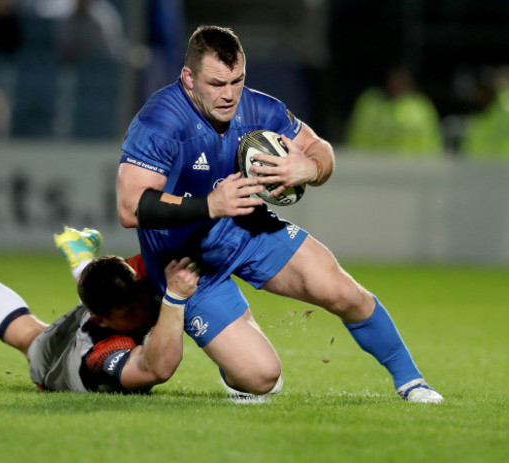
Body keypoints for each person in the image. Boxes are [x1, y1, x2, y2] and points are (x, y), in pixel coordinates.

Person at [116, 25, 443, 403]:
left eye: (237, 80)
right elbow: (130, 207)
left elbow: (320, 149)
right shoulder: (160, 120)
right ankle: (234, 357)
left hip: (246, 230)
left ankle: (411, 382)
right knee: (261, 378)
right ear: (188, 78)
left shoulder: (258, 107)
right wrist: (210, 205)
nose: (229, 94)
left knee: (343, 291)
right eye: (216, 83)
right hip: (186, 263)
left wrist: (310, 168)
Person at [0, 227, 199, 393]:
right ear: (102, 319)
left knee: (105, 288)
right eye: (131, 311)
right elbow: (155, 369)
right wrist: (174, 298)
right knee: (28, 337)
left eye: (141, 299)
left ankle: (79, 254)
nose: (144, 310)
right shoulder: (104, 352)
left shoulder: (130, 292)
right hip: (63, 362)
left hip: (103, 307)